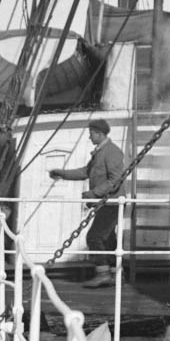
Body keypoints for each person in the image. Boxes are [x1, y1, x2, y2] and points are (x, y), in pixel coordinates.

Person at [49, 118, 125, 288]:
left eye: (91, 134)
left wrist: (93, 193)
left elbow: (115, 180)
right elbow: (86, 172)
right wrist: (62, 173)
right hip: (106, 203)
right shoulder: (100, 152)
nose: (89, 137)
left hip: (112, 203)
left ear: (99, 133)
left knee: (94, 237)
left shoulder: (112, 152)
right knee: (108, 239)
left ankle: (103, 274)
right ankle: (116, 274)